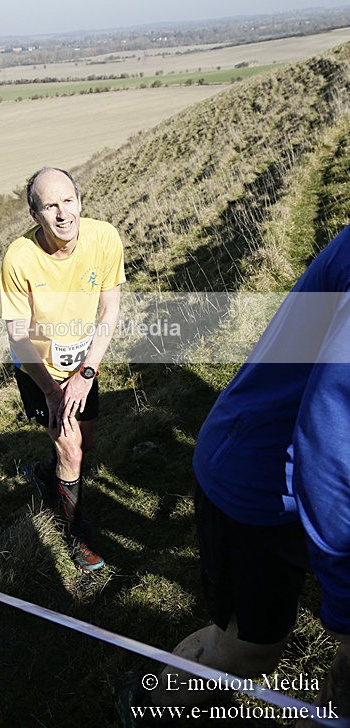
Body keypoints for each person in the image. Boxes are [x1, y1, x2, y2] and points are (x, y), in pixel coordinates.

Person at [115, 226, 350, 726]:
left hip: (287, 468)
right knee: (247, 650)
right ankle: (150, 707)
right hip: (259, 480)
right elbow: (329, 438)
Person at [0, 167, 125, 572]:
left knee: (84, 445)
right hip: (38, 369)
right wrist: (53, 392)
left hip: (82, 365)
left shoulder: (104, 238)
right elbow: (18, 336)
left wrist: (86, 373)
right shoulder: (19, 259)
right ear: (35, 215)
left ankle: (43, 472)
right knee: (71, 450)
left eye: (68, 200)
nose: (62, 213)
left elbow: (110, 309)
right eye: (50, 206)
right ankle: (75, 534)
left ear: (80, 201)